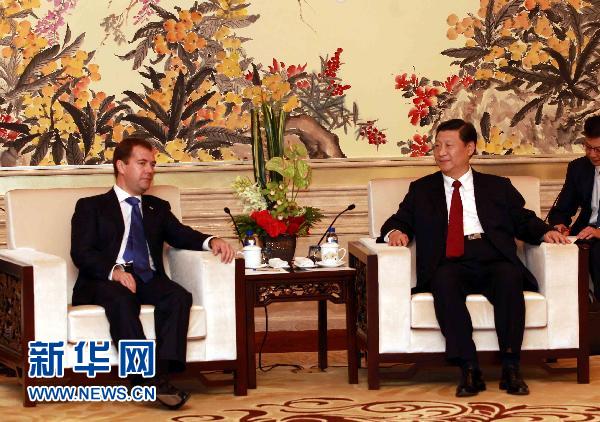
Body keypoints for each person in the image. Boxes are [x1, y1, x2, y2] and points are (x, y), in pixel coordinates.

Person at [379, 119, 569, 397]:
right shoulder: (422, 189)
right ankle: (468, 368)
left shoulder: (497, 186)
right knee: (443, 282)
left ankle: (511, 367)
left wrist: (545, 232)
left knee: (509, 277)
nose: (441, 152)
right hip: (449, 261)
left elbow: (523, 219)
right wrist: (396, 232)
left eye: (448, 146)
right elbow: (397, 221)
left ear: (469, 149)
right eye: (437, 146)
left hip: (492, 255)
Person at [70, 137, 235, 409]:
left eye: (152, 165)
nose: (149, 170)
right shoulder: (91, 206)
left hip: (146, 276)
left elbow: (181, 235)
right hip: (103, 280)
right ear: (121, 166)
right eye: (142, 163)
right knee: (121, 299)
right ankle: (144, 378)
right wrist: (115, 271)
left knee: (178, 296)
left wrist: (211, 240)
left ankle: (160, 376)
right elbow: (81, 252)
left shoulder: (157, 207)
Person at [548, 115, 600, 300]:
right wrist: (559, 225)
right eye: (588, 147)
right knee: (557, 249)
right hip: (584, 232)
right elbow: (563, 207)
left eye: (598, 149)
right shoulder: (578, 168)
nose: (591, 154)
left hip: (596, 237)